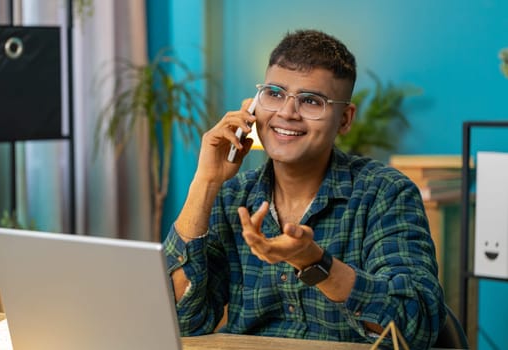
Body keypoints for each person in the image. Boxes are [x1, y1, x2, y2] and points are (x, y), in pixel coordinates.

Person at [164, 29, 446, 349]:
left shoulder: (386, 193)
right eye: (274, 93)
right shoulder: (231, 197)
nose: (287, 112)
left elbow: (417, 326)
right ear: (254, 105)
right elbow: (182, 322)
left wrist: (315, 263)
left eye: (311, 101)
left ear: (344, 119)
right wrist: (205, 182)